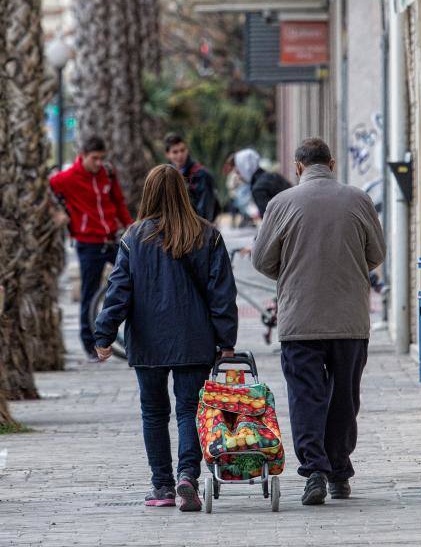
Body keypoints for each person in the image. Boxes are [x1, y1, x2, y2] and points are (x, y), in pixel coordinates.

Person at [94, 164, 238, 512]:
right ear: (183, 192)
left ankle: (161, 485)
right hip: (194, 340)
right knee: (190, 410)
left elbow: (118, 291)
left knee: (154, 412)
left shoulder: (133, 239)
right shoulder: (207, 235)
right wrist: (226, 340)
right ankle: (187, 475)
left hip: (148, 341)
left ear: (149, 194)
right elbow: (222, 294)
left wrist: (104, 333)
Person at [252, 137, 386, 506]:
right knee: (344, 397)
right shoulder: (358, 199)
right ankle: (340, 472)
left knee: (305, 396)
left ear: (298, 166)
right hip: (349, 320)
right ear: (332, 163)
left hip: (300, 319)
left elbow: (262, 260)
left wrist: (293, 268)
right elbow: (377, 253)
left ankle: (314, 470)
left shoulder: (281, 203)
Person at [49, 135, 132, 361]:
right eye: (94, 158)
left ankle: (133, 336)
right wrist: (58, 213)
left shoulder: (107, 173)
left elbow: (119, 202)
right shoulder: (67, 178)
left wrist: (132, 229)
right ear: (83, 156)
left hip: (111, 239)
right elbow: (46, 190)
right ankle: (90, 345)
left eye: (101, 158)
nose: (98, 163)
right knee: (89, 292)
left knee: (135, 277)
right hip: (88, 243)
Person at [165, 134, 219, 222]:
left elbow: (206, 210)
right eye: (175, 152)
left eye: (182, 150)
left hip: (196, 226)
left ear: (187, 150)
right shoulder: (165, 176)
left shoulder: (201, 174)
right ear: (167, 154)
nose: (180, 155)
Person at [234, 148, 291, 218]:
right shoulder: (274, 176)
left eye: (238, 171)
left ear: (245, 168)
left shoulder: (258, 189)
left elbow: (269, 221)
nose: (238, 177)